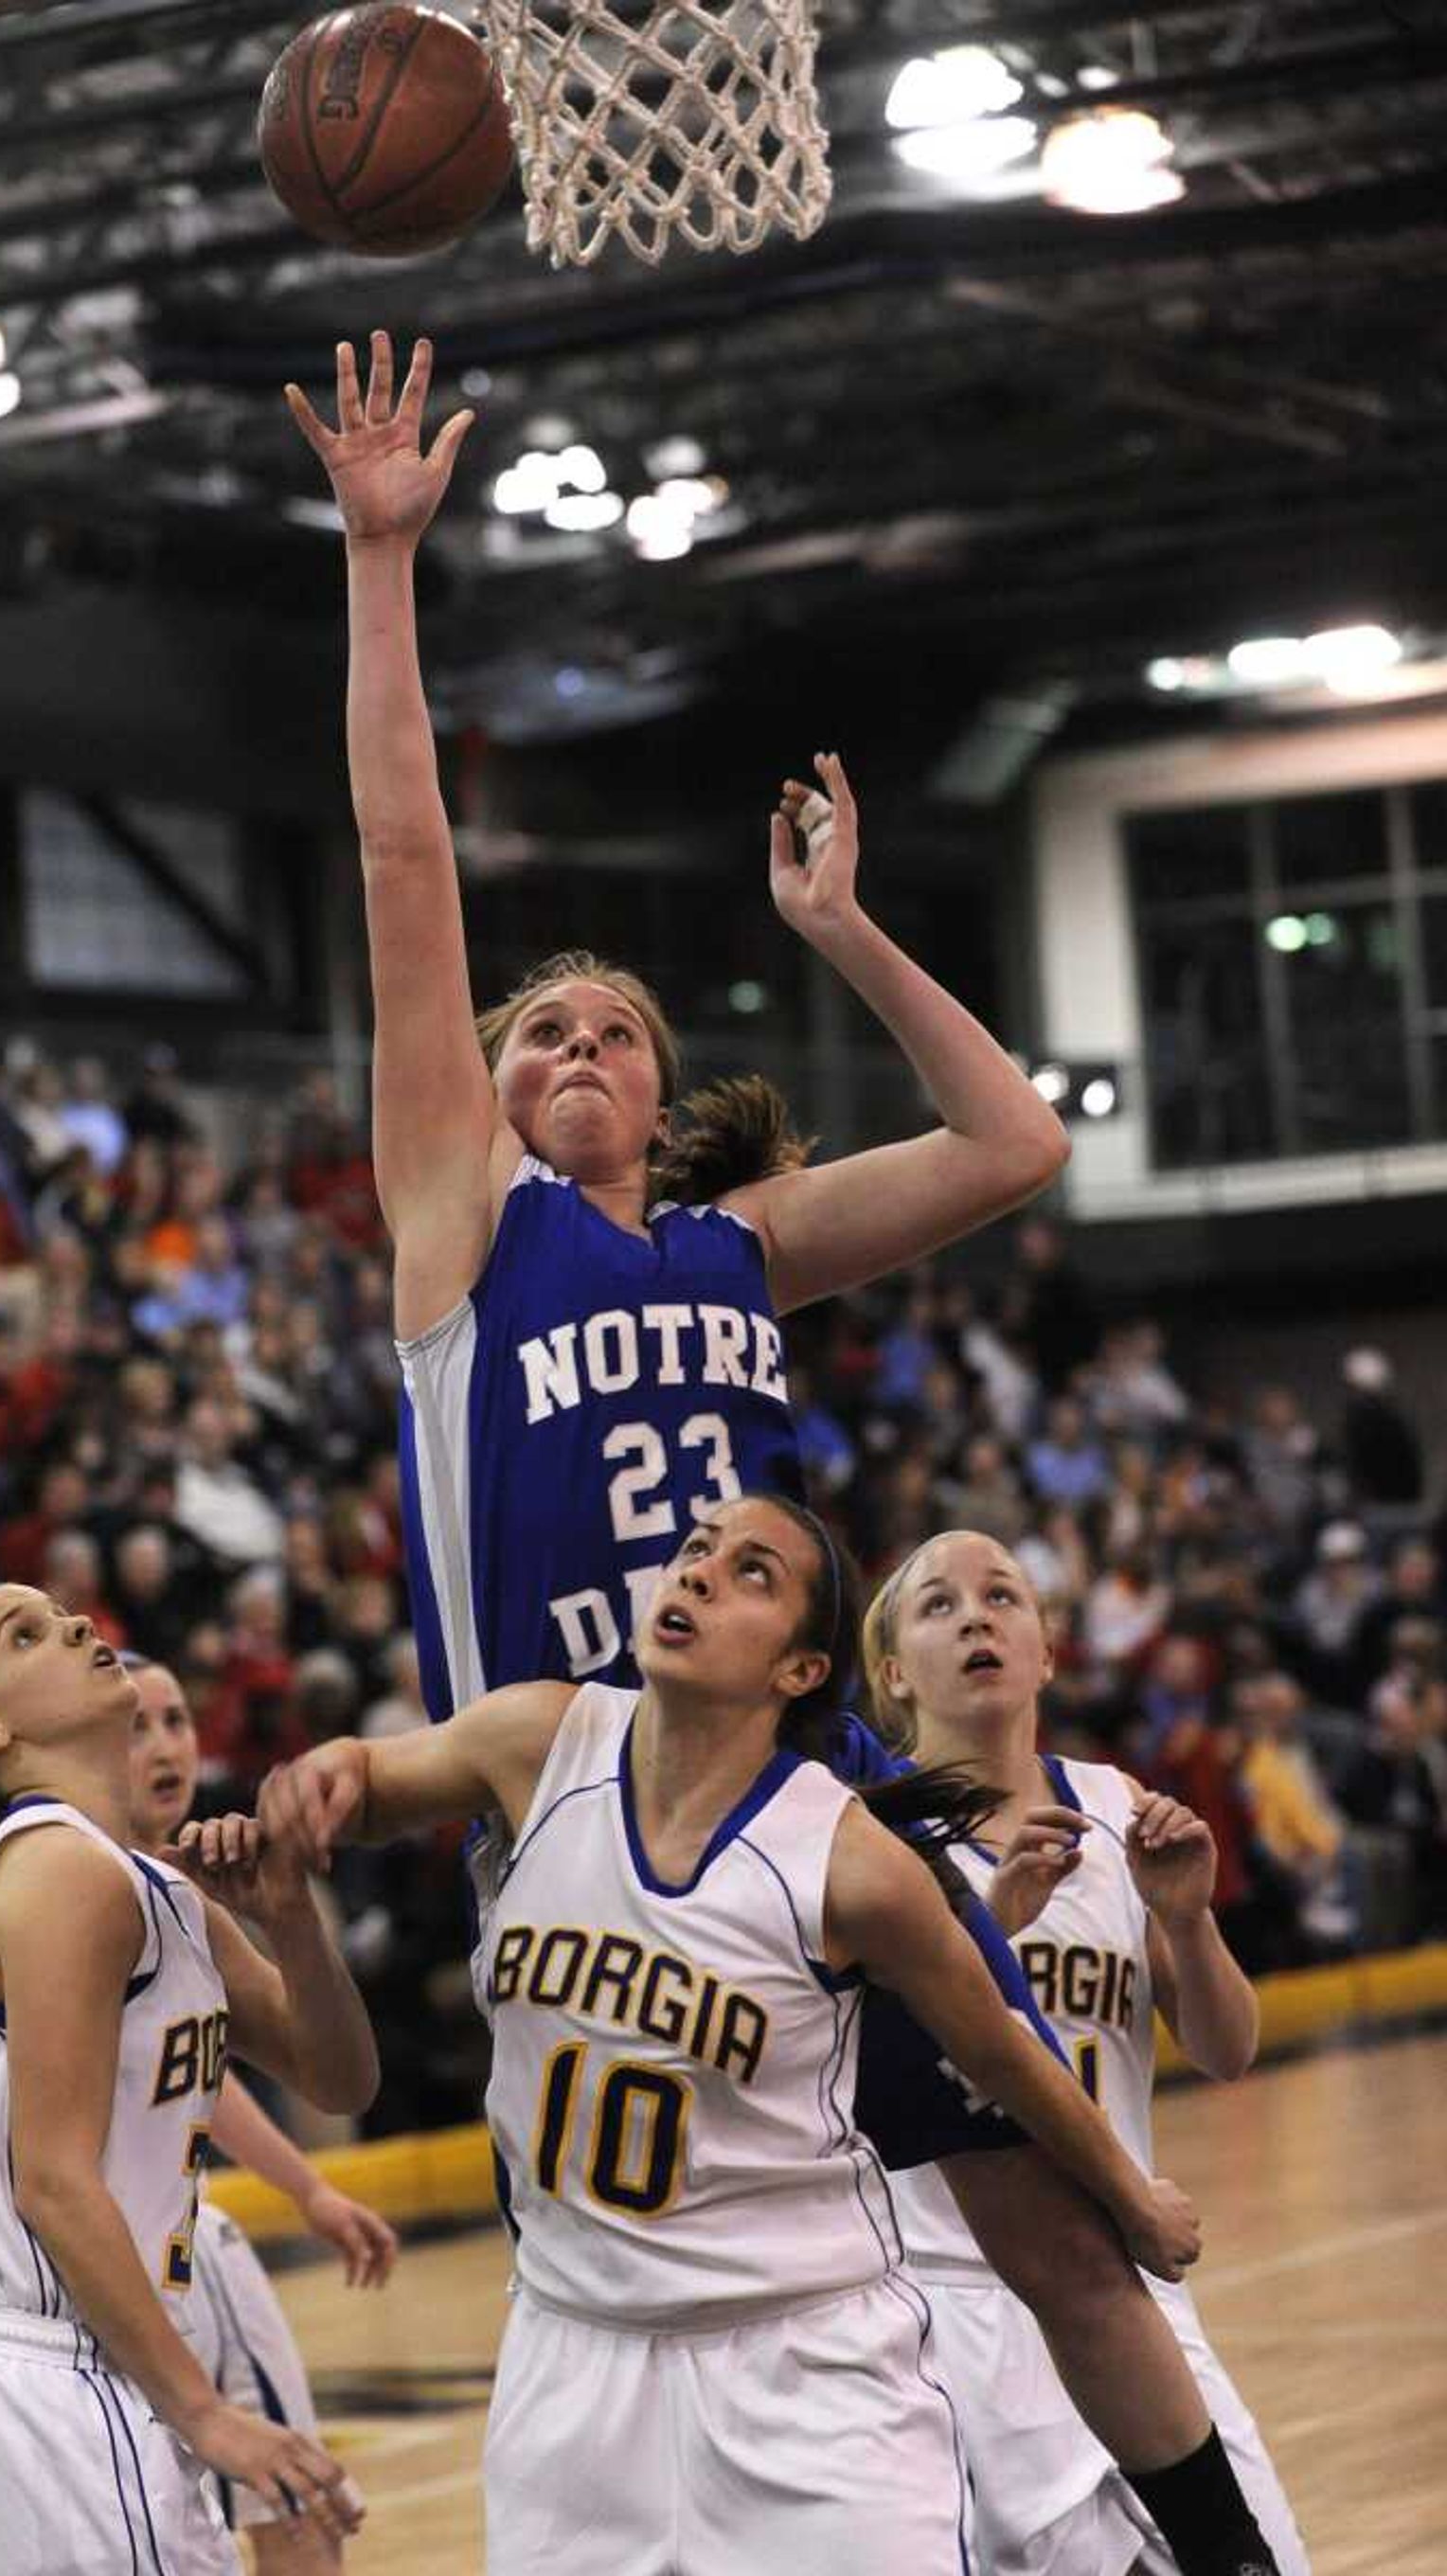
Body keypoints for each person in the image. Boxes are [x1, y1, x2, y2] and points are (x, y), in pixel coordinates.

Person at [287, 331, 1280, 2576]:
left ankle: (1206, 2550)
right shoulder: (464, 1230)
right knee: (660, 2281)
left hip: (794, 1781)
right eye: (533, 1023)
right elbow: (400, 847)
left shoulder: (745, 1244)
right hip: (570, 1796)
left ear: (656, 1091)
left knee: (1041, 2220)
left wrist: (839, 929)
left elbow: (1016, 1139)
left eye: (607, 1026)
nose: (560, 1043)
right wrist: (381, 563)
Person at [236, 1495, 1201, 2574]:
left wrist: (1128, 2189)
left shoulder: (847, 1856)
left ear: (800, 1668)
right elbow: (375, 1779)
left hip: (802, 2357)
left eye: (752, 1573)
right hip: (574, 2362)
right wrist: (330, 1775)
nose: (696, 1572)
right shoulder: (541, 1739)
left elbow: (1001, 2048)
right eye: (696, 1550)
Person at [0, 1651, 397, 2570]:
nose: (70, 1624)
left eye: (177, 1716)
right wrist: (205, 2413)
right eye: (24, 1632)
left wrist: (292, 1917)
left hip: (31, 2375)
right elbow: (49, 2175)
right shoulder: (63, 1869)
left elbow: (341, 2078)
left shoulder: (159, 1893)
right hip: (55, 2376)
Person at [869, 1527, 1310, 2576]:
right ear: (890, 1671)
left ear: (1048, 1648)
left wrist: (1191, 1922)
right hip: (961, 2302)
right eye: (938, 1603)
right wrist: (990, 1921)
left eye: (1003, 1595)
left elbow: (1226, 2047)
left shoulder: (1116, 1807)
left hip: (1134, 2281)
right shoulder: (869, 1839)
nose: (976, 1615)